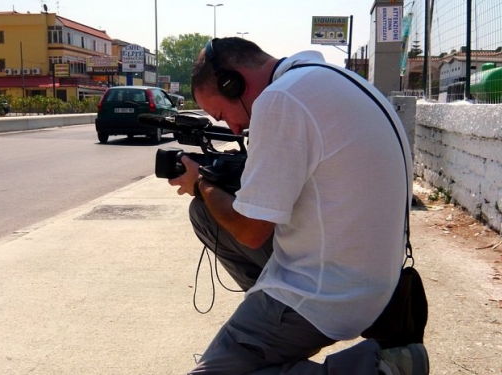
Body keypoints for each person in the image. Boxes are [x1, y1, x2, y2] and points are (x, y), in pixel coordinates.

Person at [169, 37, 429, 375]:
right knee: (207, 215)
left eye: (222, 114)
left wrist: (200, 184)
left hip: (328, 295)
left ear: (231, 83)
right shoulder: (334, 80)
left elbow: (250, 231)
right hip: (377, 282)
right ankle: (264, 327)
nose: (233, 127)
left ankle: (378, 370)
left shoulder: (280, 99)